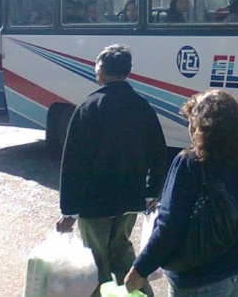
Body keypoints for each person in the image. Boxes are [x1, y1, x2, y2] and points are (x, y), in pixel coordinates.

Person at [124, 90, 238, 297]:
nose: (189, 129)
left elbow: (169, 225)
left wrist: (140, 269)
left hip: (200, 278)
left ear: (202, 127)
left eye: (191, 122)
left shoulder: (190, 164)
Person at [56, 44, 168, 297]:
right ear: (127, 71)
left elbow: (74, 163)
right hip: (131, 199)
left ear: (100, 70)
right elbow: (158, 152)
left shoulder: (88, 107)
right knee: (121, 251)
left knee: (95, 261)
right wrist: (151, 193)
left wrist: (69, 210)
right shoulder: (142, 105)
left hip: (94, 203)